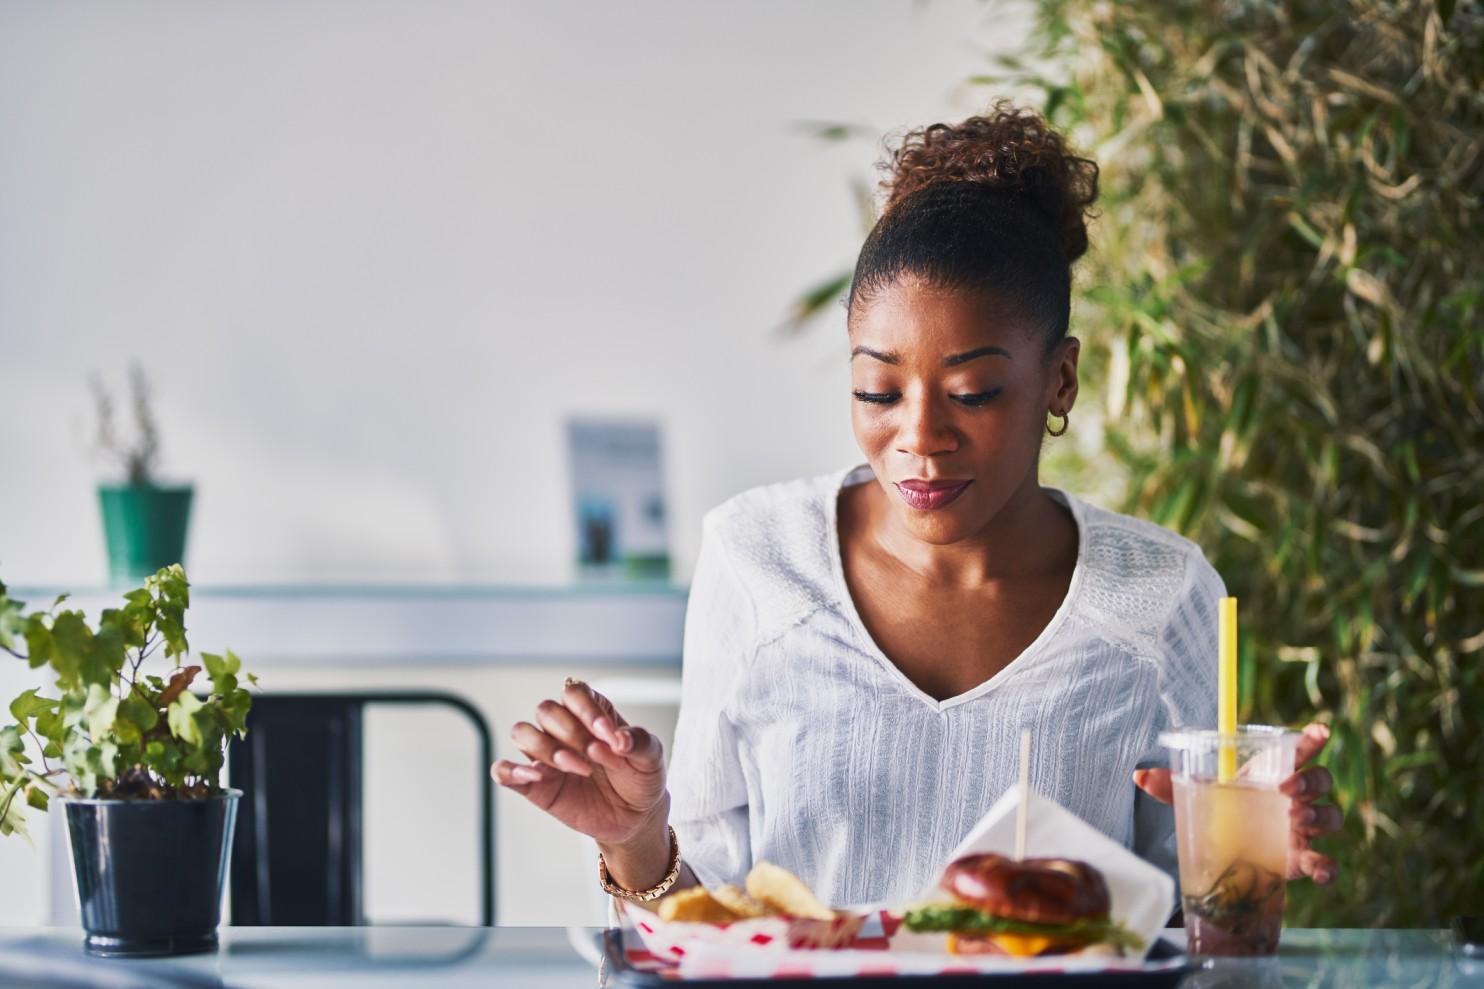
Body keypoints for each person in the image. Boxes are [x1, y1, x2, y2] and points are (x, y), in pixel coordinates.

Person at [492, 104, 1341, 910]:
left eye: (972, 393)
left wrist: (1258, 850)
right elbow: (708, 924)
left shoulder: (1158, 593)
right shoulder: (758, 558)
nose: (920, 436)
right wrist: (639, 840)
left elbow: (1196, 917)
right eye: (878, 389)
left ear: (1061, 378)